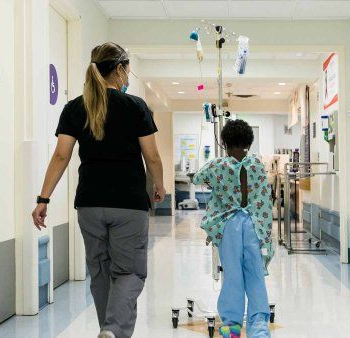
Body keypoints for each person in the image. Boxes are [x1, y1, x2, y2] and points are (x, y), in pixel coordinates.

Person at [32, 42, 165, 338]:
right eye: (127, 69)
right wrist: (159, 184)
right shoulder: (135, 107)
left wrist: (43, 198)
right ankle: (114, 330)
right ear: (119, 69)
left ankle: (108, 329)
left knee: (101, 271)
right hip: (129, 204)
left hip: (90, 203)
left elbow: (61, 156)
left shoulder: (75, 107)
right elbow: (152, 156)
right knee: (129, 271)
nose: (128, 75)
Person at [192, 120, 273, 338]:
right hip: (254, 225)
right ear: (249, 142)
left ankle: (232, 325)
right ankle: (259, 327)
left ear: (225, 143)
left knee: (233, 274)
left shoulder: (218, 165)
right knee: (255, 274)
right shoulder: (257, 164)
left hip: (229, 226)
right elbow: (265, 199)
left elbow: (197, 178)